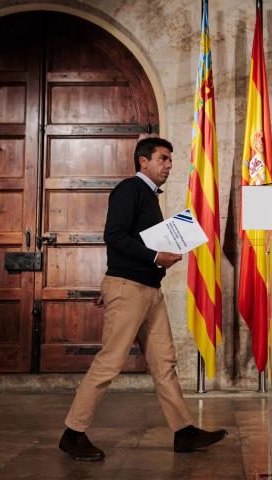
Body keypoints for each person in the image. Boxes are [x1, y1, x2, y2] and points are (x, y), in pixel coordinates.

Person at [58, 137, 227, 461]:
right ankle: (73, 433)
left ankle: (184, 431)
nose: (169, 165)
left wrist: (157, 259)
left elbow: (133, 240)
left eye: (170, 160)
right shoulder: (129, 189)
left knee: (164, 363)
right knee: (109, 362)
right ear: (143, 161)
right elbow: (114, 235)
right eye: (163, 158)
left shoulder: (149, 196)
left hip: (149, 291)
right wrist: (153, 258)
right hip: (131, 289)